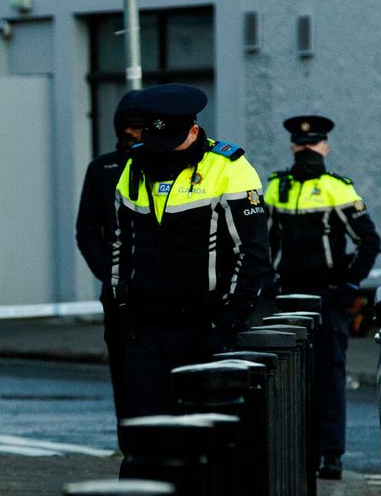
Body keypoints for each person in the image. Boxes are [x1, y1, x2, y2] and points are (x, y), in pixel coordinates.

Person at [111, 83, 270, 418]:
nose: (163, 150)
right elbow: (120, 243)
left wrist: (228, 322)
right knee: (144, 436)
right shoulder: (135, 166)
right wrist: (121, 304)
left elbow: (253, 254)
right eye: (156, 141)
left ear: (194, 129)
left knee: (205, 440)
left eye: (171, 141)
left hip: (205, 327)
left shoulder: (229, 168)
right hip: (146, 329)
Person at [264, 115, 381, 480]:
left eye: (313, 144)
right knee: (289, 377)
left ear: (325, 148)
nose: (306, 150)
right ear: (292, 147)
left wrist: (349, 286)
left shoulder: (338, 189)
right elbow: (261, 243)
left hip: (327, 297)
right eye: (300, 145)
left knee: (329, 377)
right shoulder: (275, 188)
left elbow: (369, 241)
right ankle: (299, 453)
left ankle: (331, 454)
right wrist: (267, 281)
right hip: (287, 297)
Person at [76, 90, 144, 419]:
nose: (130, 134)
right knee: (125, 382)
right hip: (119, 297)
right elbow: (87, 232)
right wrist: (112, 275)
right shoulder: (103, 169)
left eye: (138, 127)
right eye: (125, 128)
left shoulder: (162, 166)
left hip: (160, 293)